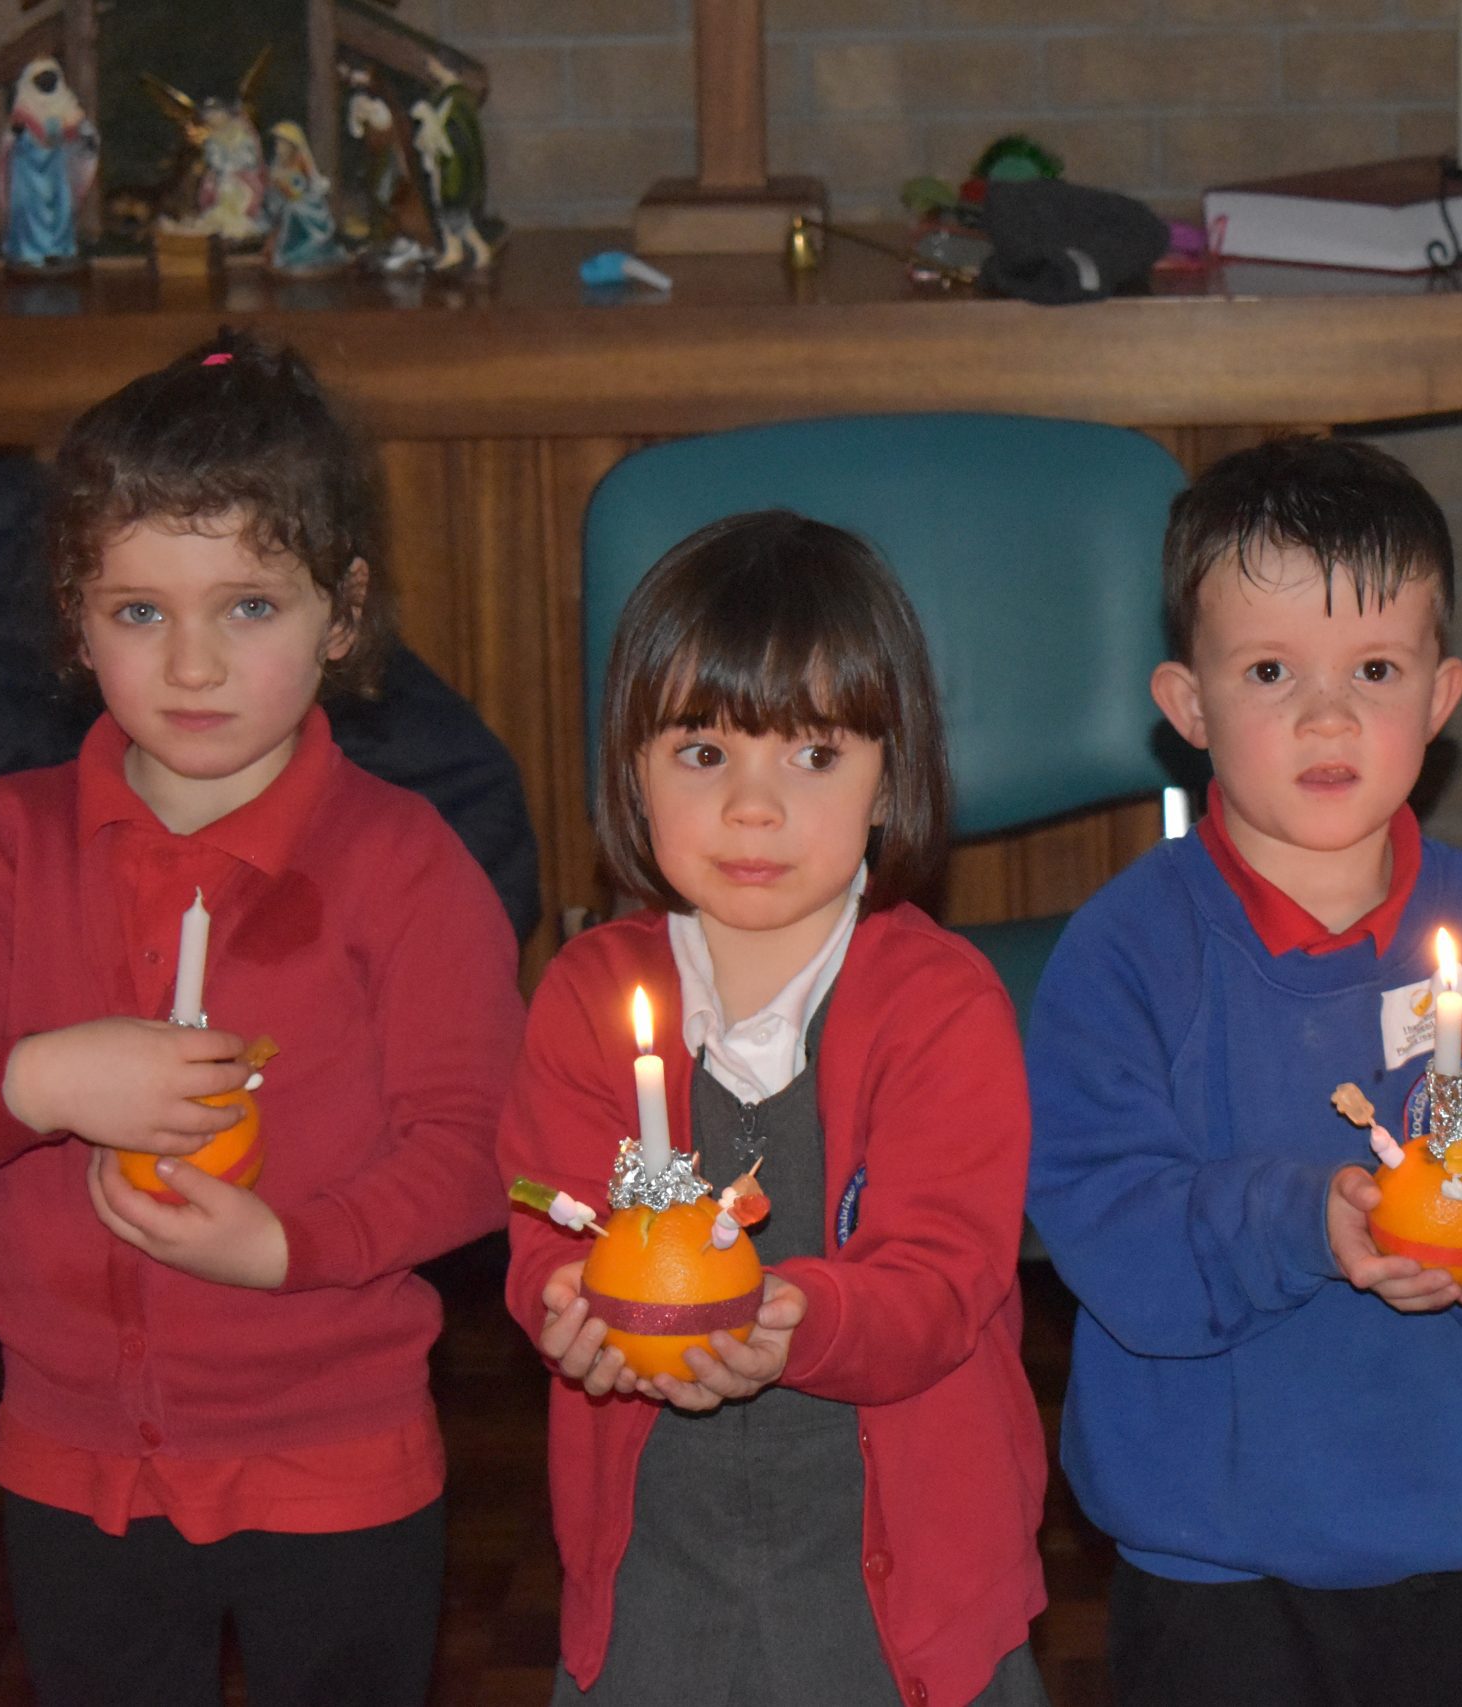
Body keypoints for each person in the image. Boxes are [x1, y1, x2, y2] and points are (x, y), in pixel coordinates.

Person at [0, 329, 524, 1707]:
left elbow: (479, 1148)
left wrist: (290, 1245)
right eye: (141, 612)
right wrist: (35, 1080)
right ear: (74, 618)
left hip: (337, 1461)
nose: (195, 664)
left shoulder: (404, 864)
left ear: (342, 614)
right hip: (71, 1464)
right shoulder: (9, 844)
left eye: (250, 606)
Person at [1024, 437, 1462, 1707]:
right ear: (1187, 704)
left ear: (1440, 694)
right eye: (1270, 672)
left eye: (1374, 669)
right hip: (1213, 1565)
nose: (1328, 717)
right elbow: (1106, 1230)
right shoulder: (1124, 953)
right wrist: (1307, 1220)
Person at [498, 511, 1048, 1707]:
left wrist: (800, 1319)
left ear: (890, 777)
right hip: (658, 1575)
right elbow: (548, 1218)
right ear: (632, 774)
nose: (753, 808)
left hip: (901, 1590)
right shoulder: (587, 996)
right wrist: (561, 1300)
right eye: (703, 753)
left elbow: (944, 1279)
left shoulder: (939, 1005)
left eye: (812, 756)